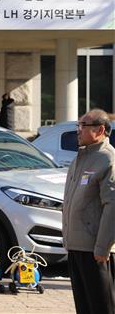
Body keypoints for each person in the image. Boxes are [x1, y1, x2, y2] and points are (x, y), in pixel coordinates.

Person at [62, 108, 115, 314]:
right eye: (78, 125)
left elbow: (112, 205)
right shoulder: (80, 158)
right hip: (76, 246)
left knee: (102, 307)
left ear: (100, 129)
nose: (78, 130)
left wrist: (102, 247)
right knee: (84, 307)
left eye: (83, 126)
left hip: (96, 251)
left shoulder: (107, 159)